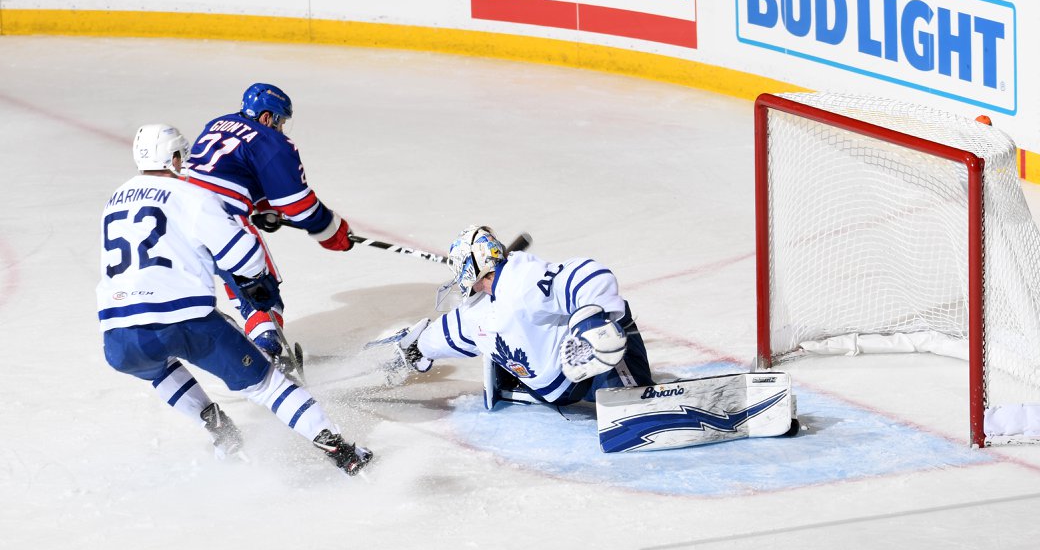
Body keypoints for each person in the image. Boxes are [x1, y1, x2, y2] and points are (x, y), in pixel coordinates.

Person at [97, 124, 372, 475]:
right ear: (174, 157)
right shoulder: (190, 195)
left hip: (117, 331)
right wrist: (257, 282)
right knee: (267, 385)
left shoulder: (114, 200)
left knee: (158, 369)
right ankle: (342, 451)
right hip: (186, 320)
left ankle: (220, 430)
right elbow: (242, 253)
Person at [386, 225, 654, 408]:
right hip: (561, 387)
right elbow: (444, 335)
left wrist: (590, 324)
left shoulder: (525, 279)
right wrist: (416, 349)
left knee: (606, 335)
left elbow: (589, 275)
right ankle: (636, 400)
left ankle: (637, 398)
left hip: (585, 372)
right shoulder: (473, 311)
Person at [183, 83, 355, 362]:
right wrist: (332, 232)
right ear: (267, 117)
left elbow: (227, 173)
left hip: (172, 215)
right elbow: (299, 207)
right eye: (280, 121)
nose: (281, 128)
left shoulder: (217, 123)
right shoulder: (272, 142)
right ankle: (265, 353)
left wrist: (262, 207)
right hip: (221, 220)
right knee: (260, 290)